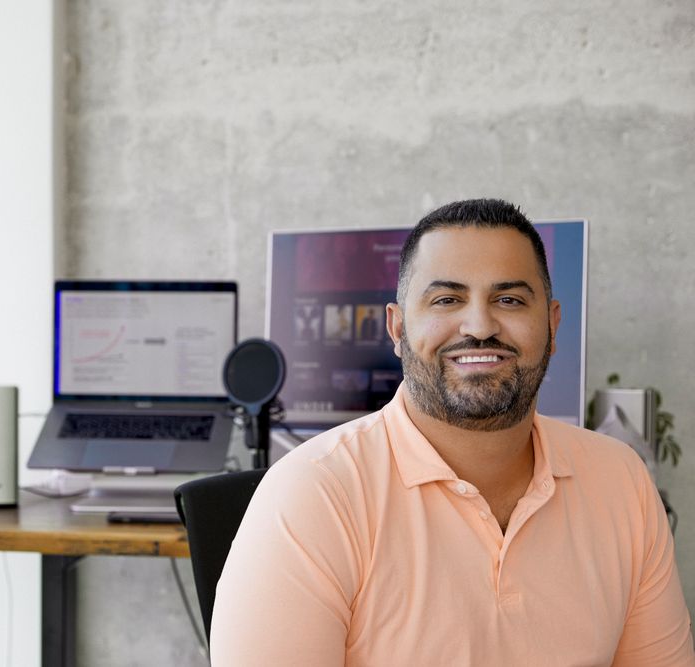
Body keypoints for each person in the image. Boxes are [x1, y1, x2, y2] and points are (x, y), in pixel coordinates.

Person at [211, 199, 694, 666]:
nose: (480, 326)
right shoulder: (313, 493)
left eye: (508, 299)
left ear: (552, 324)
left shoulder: (620, 480)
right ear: (397, 328)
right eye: (447, 299)